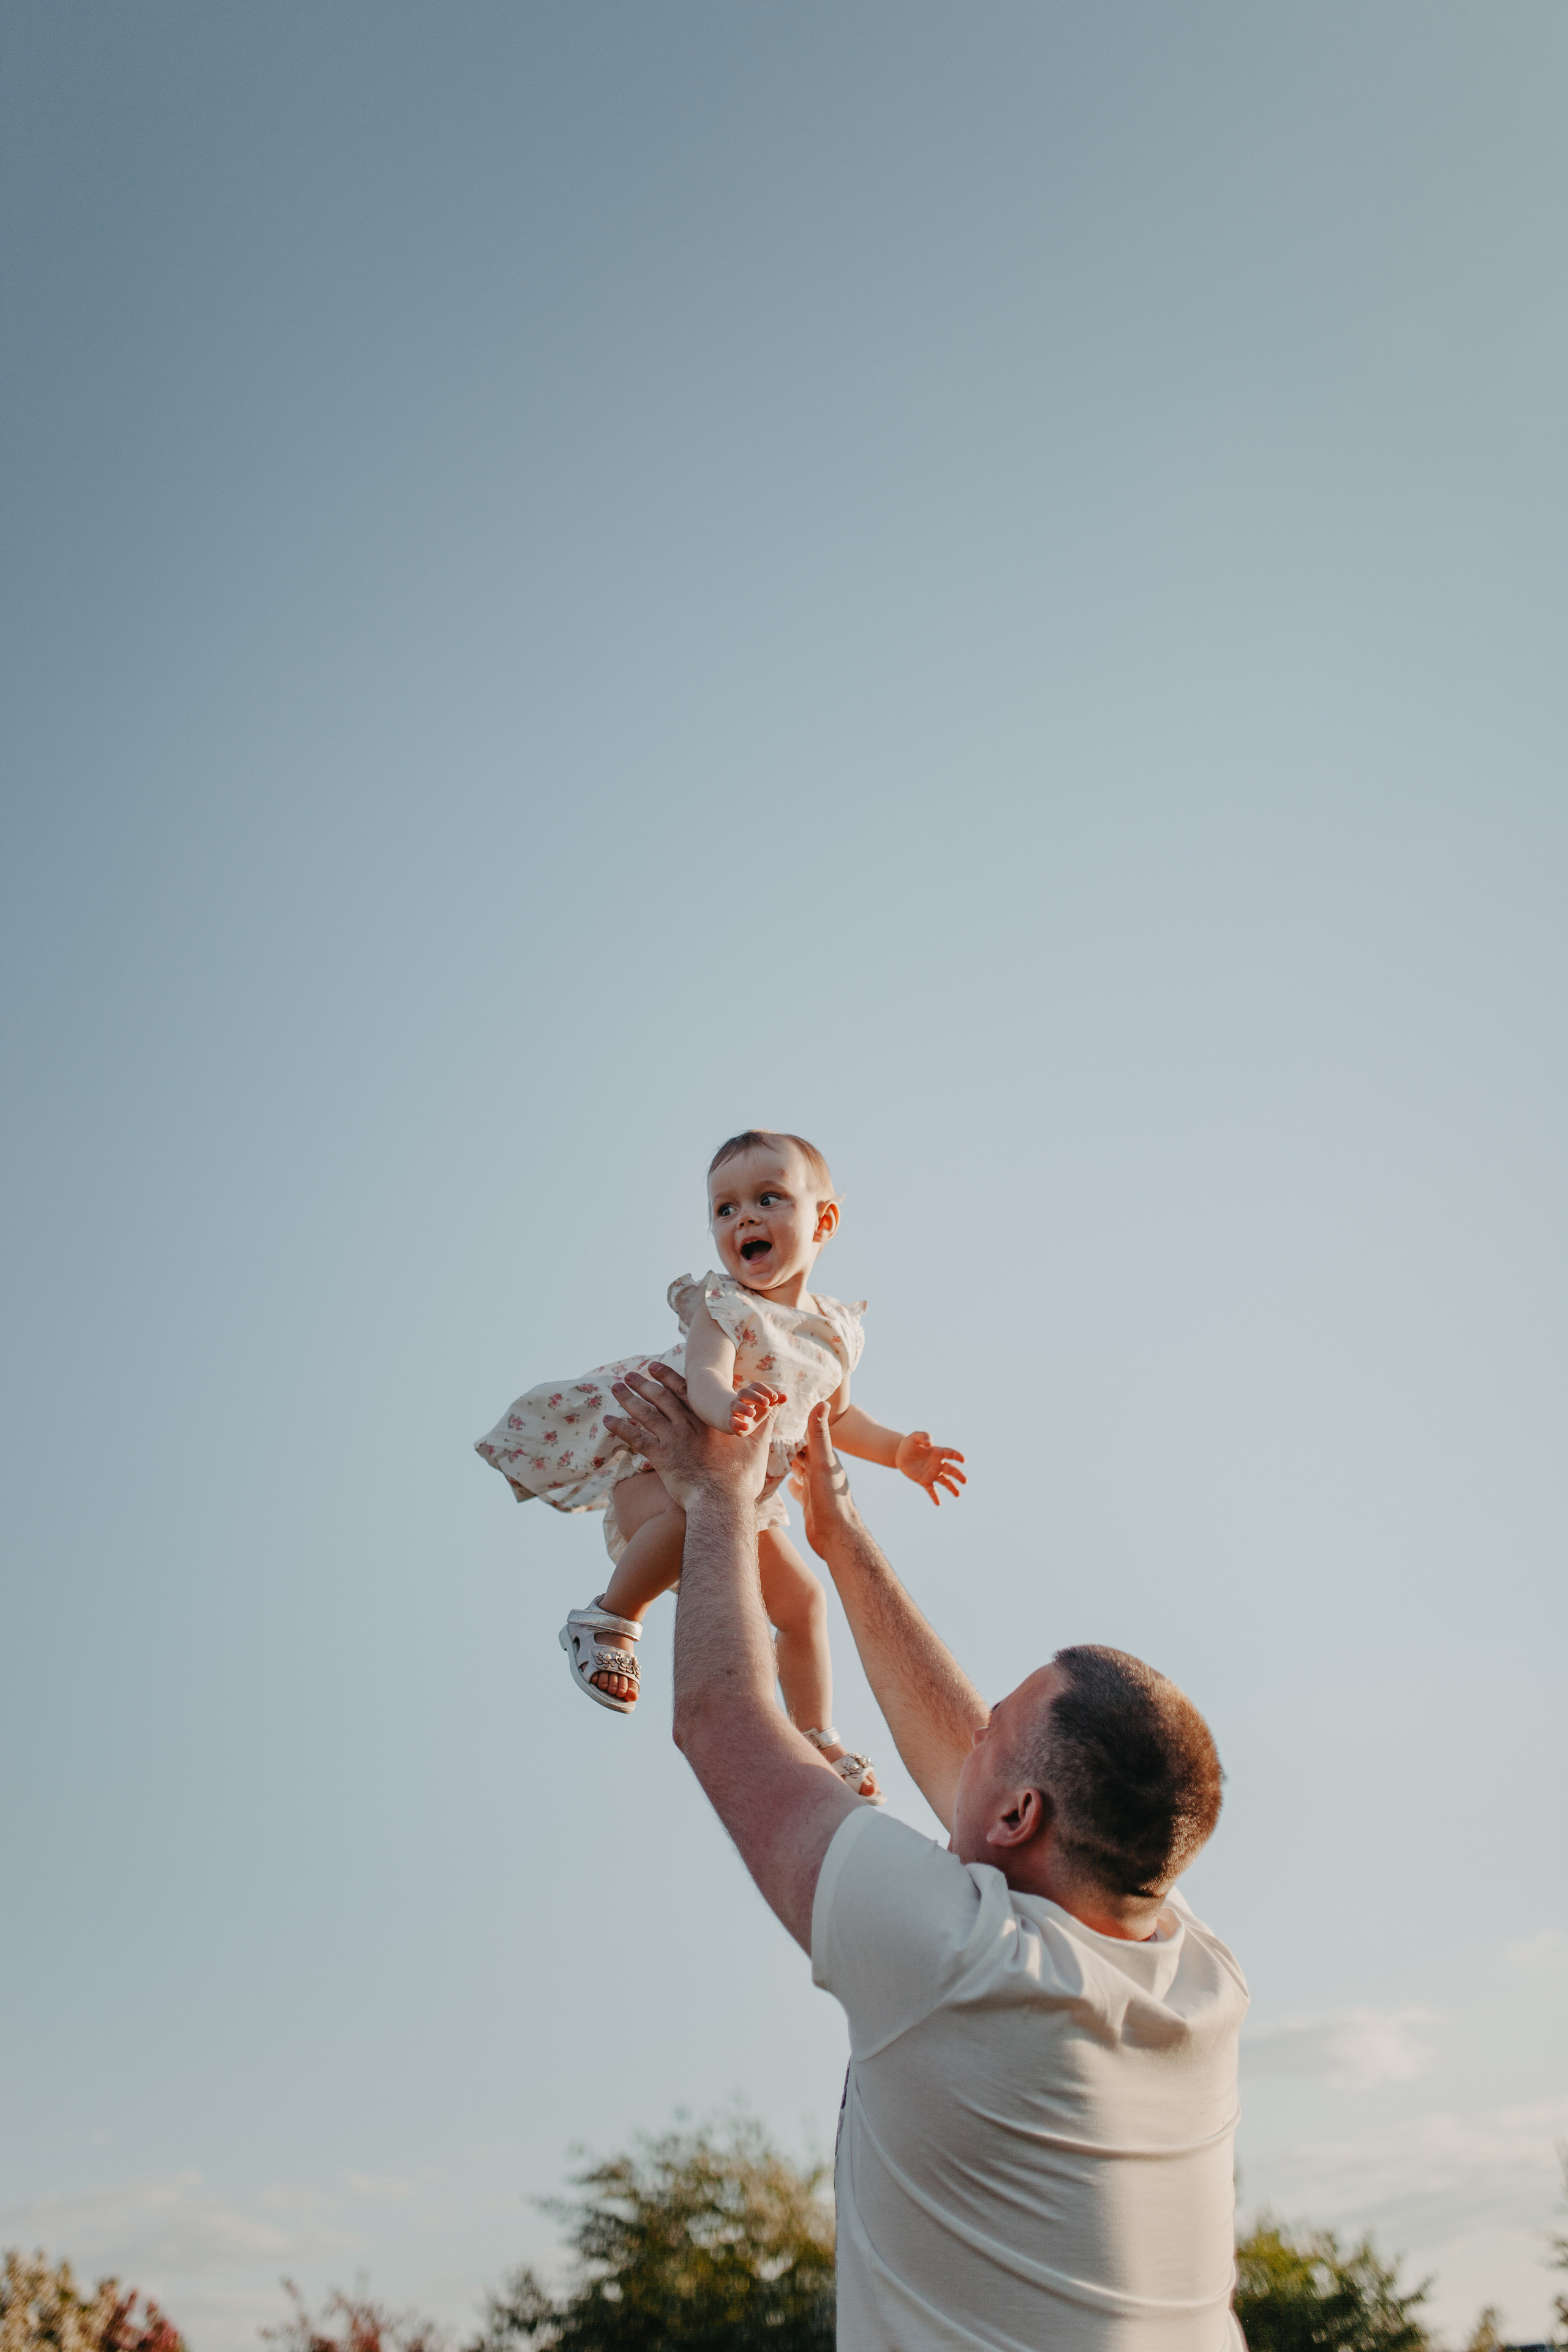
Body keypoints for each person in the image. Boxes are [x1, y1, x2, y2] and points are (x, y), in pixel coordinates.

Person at [600, 1363, 1250, 2352]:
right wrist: (844, 1547)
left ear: (1024, 1815)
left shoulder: (956, 1961)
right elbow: (975, 1782)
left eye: (998, 1721)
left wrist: (717, 1495)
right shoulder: (1195, 1976)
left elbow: (721, 1720)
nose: (975, 1727)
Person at [473, 1128, 965, 1798]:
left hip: (748, 1495)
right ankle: (609, 1620)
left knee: (804, 1602)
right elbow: (705, 1375)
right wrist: (728, 1405)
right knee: (685, 1522)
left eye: (768, 1198)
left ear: (822, 1220)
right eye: (725, 1210)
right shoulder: (723, 1306)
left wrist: (900, 1451)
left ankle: (817, 1736)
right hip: (665, 1468)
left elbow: (838, 1417)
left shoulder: (834, 1333)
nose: (745, 1219)